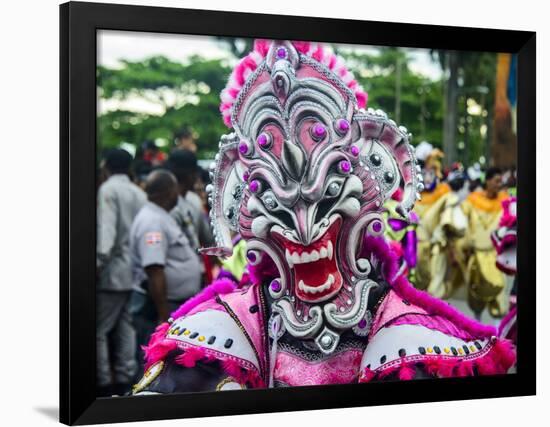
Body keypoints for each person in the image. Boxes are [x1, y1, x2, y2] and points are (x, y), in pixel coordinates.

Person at [132, 40, 515, 395]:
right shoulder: (229, 325)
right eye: (278, 204)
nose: (302, 227)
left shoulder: (409, 332)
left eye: (326, 194)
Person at [129, 169, 202, 374]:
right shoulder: (152, 221)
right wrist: (163, 315)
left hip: (168, 304)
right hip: (157, 307)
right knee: (151, 363)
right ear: (167, 192)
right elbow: (154, 270)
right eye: (173, 190)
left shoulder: (160, 216)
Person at [96, 148, 146, 397]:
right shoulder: (138, 192)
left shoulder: (108, 190)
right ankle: (126, 378)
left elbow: (107, 235)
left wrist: (97, 263)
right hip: (134, 270)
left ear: (106, 165)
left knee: (100, 330)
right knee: (126, 325)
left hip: (113, 270)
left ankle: (104, 381)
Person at [461, 167, 509, 319]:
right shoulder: (472, 200)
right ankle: (479, 330)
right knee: (476, 295)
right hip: (476, 255)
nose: (499, 184)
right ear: (487, 181)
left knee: (499, 293)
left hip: (497, 255)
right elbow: (462, 222)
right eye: (496, 181)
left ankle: (498, 335)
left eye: (500, 182)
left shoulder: (505, 200)